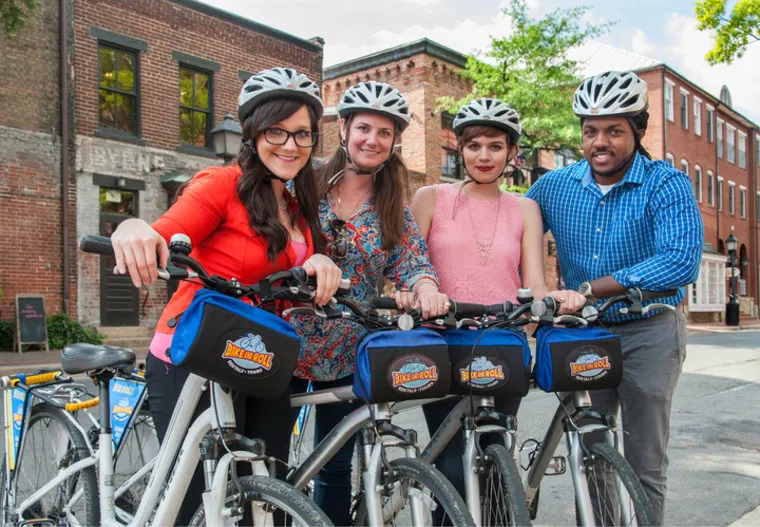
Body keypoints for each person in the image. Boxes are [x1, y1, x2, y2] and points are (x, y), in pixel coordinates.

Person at [109, 67, 343, 525]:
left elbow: (302, 266)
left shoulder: (296, 205)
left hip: (263, 356)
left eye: (303, 135)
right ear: (253, 131)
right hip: (196, 352)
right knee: (196, 499)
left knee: (269, 496)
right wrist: (133, 226)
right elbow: (167, 232)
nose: (290, 145)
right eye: (277, 130)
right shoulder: (221, 184)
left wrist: (320, 262)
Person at [525, 70, 703, 525]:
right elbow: (509, 236)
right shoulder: (554, 187)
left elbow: (680, 260)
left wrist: (590, 288)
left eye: (614, 130)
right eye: (591, 131)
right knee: (592, 456)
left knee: (644, 462)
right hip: (584, 334)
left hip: (651, 328)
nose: (600, 141)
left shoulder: (667, 184)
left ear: (638, 131)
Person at [287, 81, 450, 526]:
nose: (372, 140)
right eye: (364, 128)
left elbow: (414, 261)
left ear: (395, 141)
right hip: (283, 336)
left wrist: (426, 287)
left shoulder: (392, 204)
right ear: (343, 129)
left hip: (345, 345)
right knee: (269, 461)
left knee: (335, 465)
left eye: (384, 132)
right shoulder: (304, 180)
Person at [410, 97, 585, 503]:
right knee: (450, 469)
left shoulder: (525, 208)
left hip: (503, 345)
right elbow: (409, 266)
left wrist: (556, 298)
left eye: (495, 146)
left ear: (511, 152)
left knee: (494, 459)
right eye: (474, 145)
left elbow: (534, 283)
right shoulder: (429, 198)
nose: (484, 155)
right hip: (442, 343)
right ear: (460, 148)